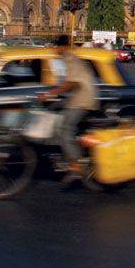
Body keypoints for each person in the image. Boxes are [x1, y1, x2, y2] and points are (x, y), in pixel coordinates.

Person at [40, 35, 99, 182]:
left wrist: (50, 94)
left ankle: (76, 164)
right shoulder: (68, 58)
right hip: (77, 97)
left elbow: (72, 83)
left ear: (63, 47)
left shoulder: (70, 58)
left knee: (65, 128)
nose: (54, 50)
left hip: (82, 100)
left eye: (56, 46)